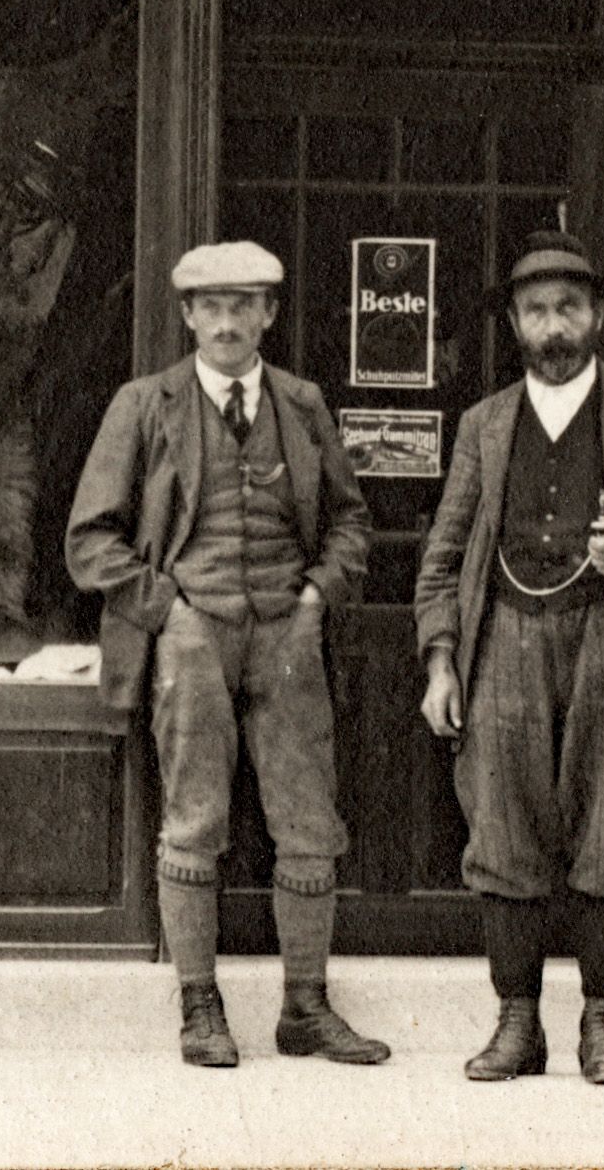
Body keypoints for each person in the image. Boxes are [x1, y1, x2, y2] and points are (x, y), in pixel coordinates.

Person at [65, 241, 390, 1070]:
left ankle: (306, 1007)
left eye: (244, 305)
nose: (227, 322)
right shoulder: (145, 406)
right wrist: (166, 607)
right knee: (196, 819)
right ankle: (199, 1006)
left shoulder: (304, 405)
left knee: (308, 822)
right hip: (192, 634)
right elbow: (89, 541)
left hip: (288, 632)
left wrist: (319, 593)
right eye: (210, 306)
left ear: (269, 315)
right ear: (186, 316)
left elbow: (353, 521)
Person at [416, 233, 604, 1086]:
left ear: (596, 318)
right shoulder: (485, 425)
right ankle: (518, 1025)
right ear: (515, 324)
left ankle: (603, 1024)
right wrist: (442, 660)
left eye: (568, 309)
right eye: (536, 311)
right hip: (505, 645)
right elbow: (442, 557)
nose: (553, 327)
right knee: (503, 832)